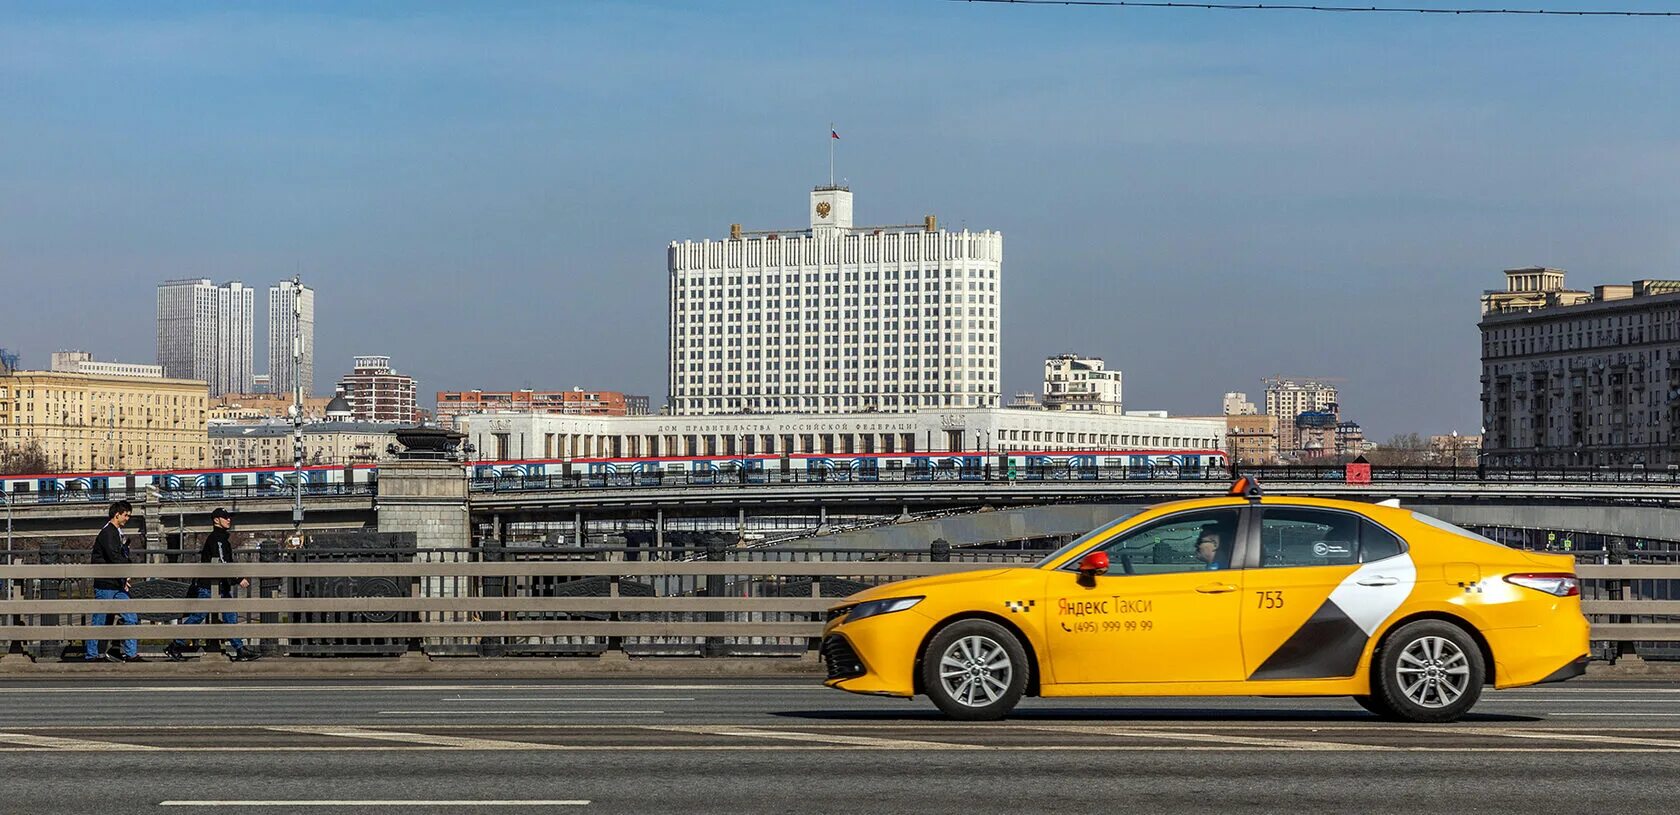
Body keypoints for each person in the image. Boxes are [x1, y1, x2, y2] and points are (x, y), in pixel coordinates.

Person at [166, 508, 258, 662]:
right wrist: (238, 578)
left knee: (230, 616)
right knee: (198, 616)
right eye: (225, 517)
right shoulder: (217, 539)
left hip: (220, 586)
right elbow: (221, 562)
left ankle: (240, 649)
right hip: (209, 586)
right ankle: (175, 645)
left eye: (229, 517)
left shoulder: (221, 538)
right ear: (216, 520)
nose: (229, 520)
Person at [85, 501, 143, 662]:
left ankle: (130, 653)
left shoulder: (115, 532)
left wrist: (124, 577)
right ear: (117, 514)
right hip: (106, 584)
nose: (127, 519)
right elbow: (114, 557)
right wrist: (128, 569)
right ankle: (92, 655)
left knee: (130, 617)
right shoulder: (108, 533)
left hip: (116, 583)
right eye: (126, 515)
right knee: (100, 619)